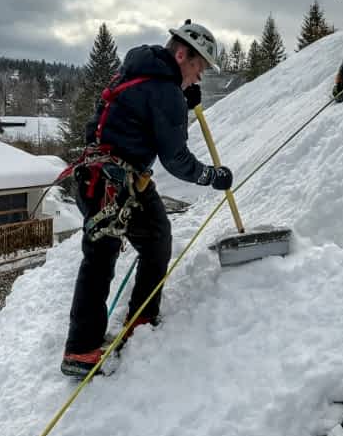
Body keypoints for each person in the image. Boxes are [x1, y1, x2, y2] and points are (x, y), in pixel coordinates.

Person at [60, 20, 234, 378]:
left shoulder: (136, 73)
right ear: (182, 54)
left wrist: (179, 102)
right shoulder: (163, 90)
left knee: (155, 237)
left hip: (104, 176)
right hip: (112, 183)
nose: (198, 78)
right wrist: (211, 176)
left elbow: (112, 120)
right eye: (198, 68)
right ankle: (81, 351)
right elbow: (176, 159)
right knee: (102, 258)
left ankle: (142, 318)